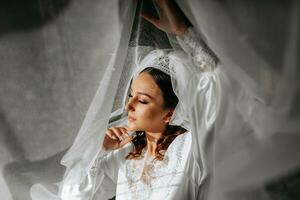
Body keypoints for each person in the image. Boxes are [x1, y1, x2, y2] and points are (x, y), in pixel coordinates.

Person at [58, 0, 219, 199]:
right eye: (130, 95)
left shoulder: (192, 147)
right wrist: (99, 152)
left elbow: (218, 83)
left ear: (170, 113)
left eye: (142, 100)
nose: (129, 106)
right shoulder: (126, 153)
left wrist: (182, 31)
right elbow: (71, 196)